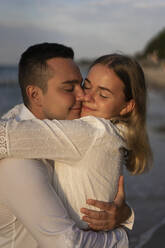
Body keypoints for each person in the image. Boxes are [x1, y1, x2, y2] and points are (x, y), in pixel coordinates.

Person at [0, 43, 133, 248]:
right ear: (35, 95)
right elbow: (67, 244)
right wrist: (121, 236)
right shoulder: (19, 162)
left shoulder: (64, 133)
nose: (83, 96)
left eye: (82, 85)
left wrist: (123, 214)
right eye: (69, 88)